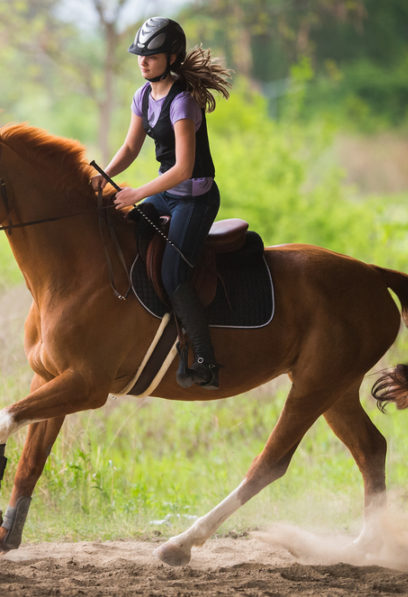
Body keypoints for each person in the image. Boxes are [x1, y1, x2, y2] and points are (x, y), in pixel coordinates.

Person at [92, 16, 232, 390]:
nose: (143, 61)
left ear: (172, 58)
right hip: (168, 191)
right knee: (127, 229)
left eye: (151, 56)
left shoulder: (183, 101)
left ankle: (205, 359)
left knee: (173, 274)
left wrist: (138, 193)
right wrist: (101, 176)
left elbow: (184, 168)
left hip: (195, 197)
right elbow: (130, 147)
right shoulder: (142, 96)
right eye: (140, 55)